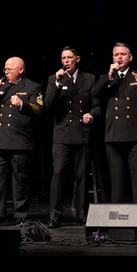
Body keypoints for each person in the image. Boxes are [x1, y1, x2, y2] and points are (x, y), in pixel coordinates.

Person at [0, 56, 44, 225]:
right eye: (5, 69)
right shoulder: (2, 86)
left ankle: (20, 215)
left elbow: (39, 109)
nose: (6, 72)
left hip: (20, 140)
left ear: (20, 70)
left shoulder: (32, 86)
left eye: (9, 69)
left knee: (20, 181)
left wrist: (23, 104)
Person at [44, 46, 100, 228]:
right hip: (61, 134)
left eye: (69, 57)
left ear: (78, 58)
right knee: (58, 173)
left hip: (82, 133)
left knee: (82, 176)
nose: (66, 61)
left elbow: (97, 105)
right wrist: (58, 83)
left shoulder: (89, 79)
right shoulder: (54, 79)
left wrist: (91, 114)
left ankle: (82, 214)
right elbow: (48, 104)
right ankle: (55, 216)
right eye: (63, 58)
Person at [93, 42, 137, 203]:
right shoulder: (107, 77)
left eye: (122, 54)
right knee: (117, 179)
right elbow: (95, 93)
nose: (119, 57)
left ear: (130, 57)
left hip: (136, 134)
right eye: (116, 55)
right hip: (113, 134)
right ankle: (116, 218)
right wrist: (109, 76)